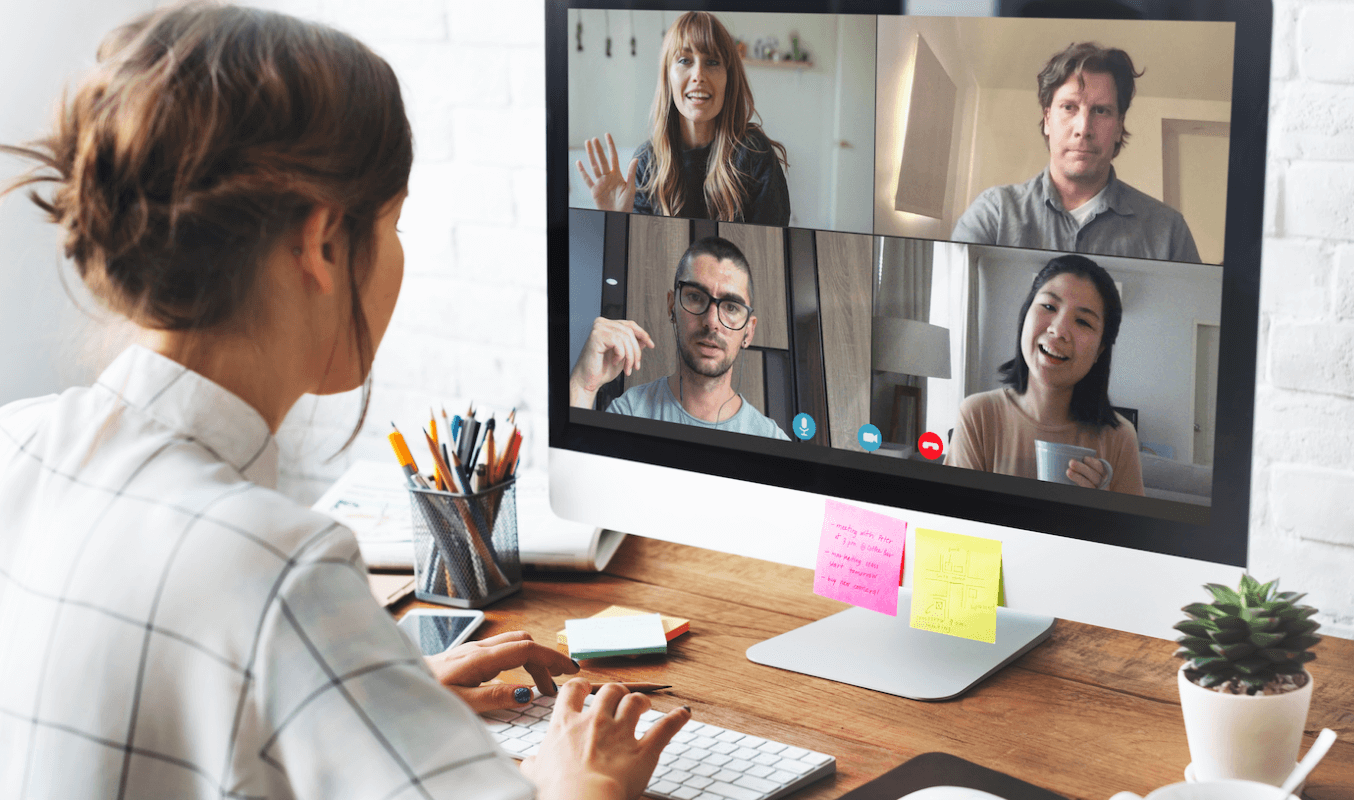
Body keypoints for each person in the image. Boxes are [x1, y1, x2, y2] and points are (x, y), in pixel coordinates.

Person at [0, 6, 687, 799]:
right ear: (322, 243)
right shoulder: (278, 571)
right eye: (392, 224)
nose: (396, 255)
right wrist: (587, 779)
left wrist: (361, 692)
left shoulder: (15, 443)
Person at [951, 42, 1201, 263]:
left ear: (1119, 126)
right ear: (1047, 119)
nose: (1084, 128)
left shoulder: (1169, 232)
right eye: (1069, 107)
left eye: (1101, 111)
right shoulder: (994, 214)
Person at [945, 255, 1145, 495]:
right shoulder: (978, 415)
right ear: (1025, 315)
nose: (1059, 330)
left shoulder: (1120, 438)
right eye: (1049, 307)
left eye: (1083, 321)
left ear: (1100, 351)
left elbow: (1130, 532)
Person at [576, 11, 790, 226]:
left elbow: (771, 252)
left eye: (713, 62)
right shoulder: (646, 162)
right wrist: (617, 220)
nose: (698, 75)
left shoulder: (754, 153)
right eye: (685, 60)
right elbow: (640, 256)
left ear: (729, 78)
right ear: (667, 77)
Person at [569, 236, 789, 440]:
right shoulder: (628, 412)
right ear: (672, 306)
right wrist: (582, 386)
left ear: (748, 331)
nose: (711, 321)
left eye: (731, 307)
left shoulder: (773, 440)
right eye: (695, 297)